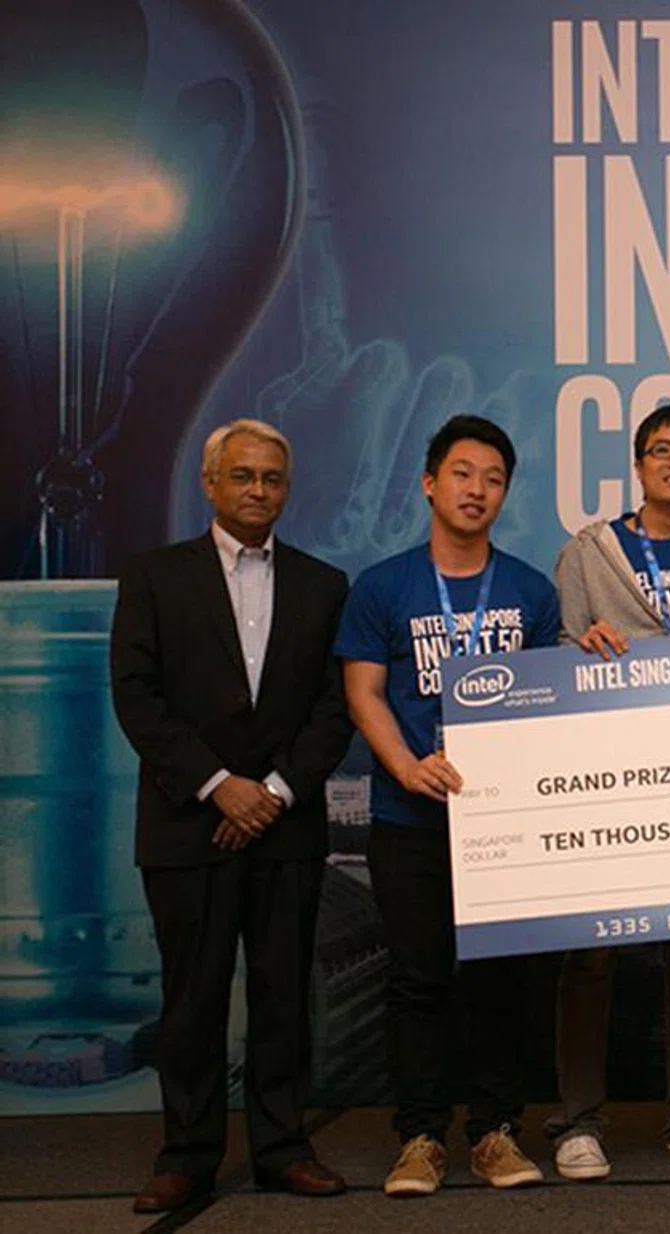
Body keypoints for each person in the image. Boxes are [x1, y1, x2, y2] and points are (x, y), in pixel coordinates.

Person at [110, 419, 354, 1212]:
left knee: (285, 996)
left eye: (272, 478)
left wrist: (273, 792)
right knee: (193, 1000)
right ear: (209, 484)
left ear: (288, 487)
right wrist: (219, 784)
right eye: (242, 476)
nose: (258, 490)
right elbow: (136, 698)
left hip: (285, 823)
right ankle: (187, 1154)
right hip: (189, 825)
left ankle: (284, 1148)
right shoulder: (153, 577)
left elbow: (332, 709)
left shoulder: (324, 585)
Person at [336, 415, 561, 1197]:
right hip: (410, 823)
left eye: (493, 478)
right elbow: (362, 692)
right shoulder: (383, 586)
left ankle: (497, 1133)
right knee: (418, 980)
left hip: (501, 825)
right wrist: (405, 766)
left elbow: (548, 701)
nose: (477, 490)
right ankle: (422, 1137)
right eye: (462, 473)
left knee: (500, 982)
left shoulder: (531, 589)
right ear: (430, 483)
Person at [544, 404, 670, 1179]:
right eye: (662, 450)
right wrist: (583, 647)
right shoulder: (587, 553)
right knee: (591, 956)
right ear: (638, 465)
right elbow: (560, 654)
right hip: (611, 778)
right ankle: (577, 1122)